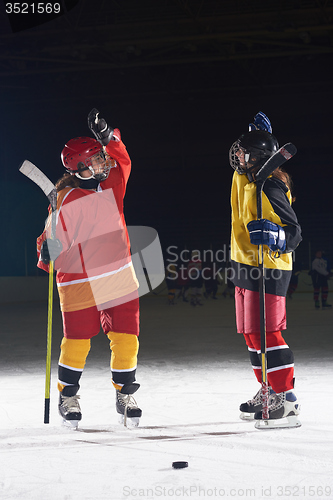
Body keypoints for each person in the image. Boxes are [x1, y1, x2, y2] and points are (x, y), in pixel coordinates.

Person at [36, 109, 142, 428]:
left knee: (126, 337)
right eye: (96, 159)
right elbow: (51, 240)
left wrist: (107, 136)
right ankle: (68, 395)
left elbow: (122, 160)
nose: (103, 163)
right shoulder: (65, 199)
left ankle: (125, 392)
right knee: (78, 340)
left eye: (100, 158)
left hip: (117, 275)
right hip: (79, 280)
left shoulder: (111, 185)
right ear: (79, 167)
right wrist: (47, 249)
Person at [228, 112, 302, 427]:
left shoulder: (271, 186)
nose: (238, 158)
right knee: (251, 335)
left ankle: (286, 399)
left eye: (245, 154)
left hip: (269, 267)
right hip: (243, 264)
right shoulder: (244, 179)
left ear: (258, 160)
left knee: (269, 332)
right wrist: (257, 136)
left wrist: (276, 236)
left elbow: (294, 233)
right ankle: (267, 388)